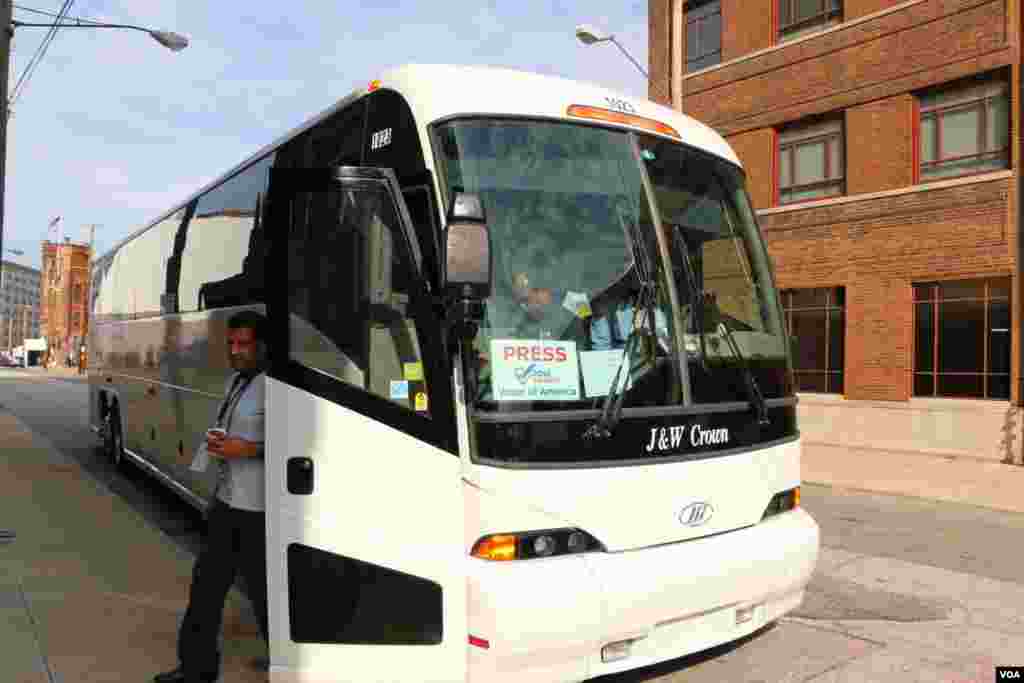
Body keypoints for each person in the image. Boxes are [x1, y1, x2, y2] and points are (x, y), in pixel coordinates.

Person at [155, 310, 270, 683]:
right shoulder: (236, 383)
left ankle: (292, 664)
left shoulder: (277, 387)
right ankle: (196, 669)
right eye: (232, 343)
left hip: (259, 511)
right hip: (226, 505)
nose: (236, 351)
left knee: (269, 597)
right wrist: (220, 443)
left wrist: (248, 449)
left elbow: (291, 443)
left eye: (244, 344)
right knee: (205, 590)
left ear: (262, 346)